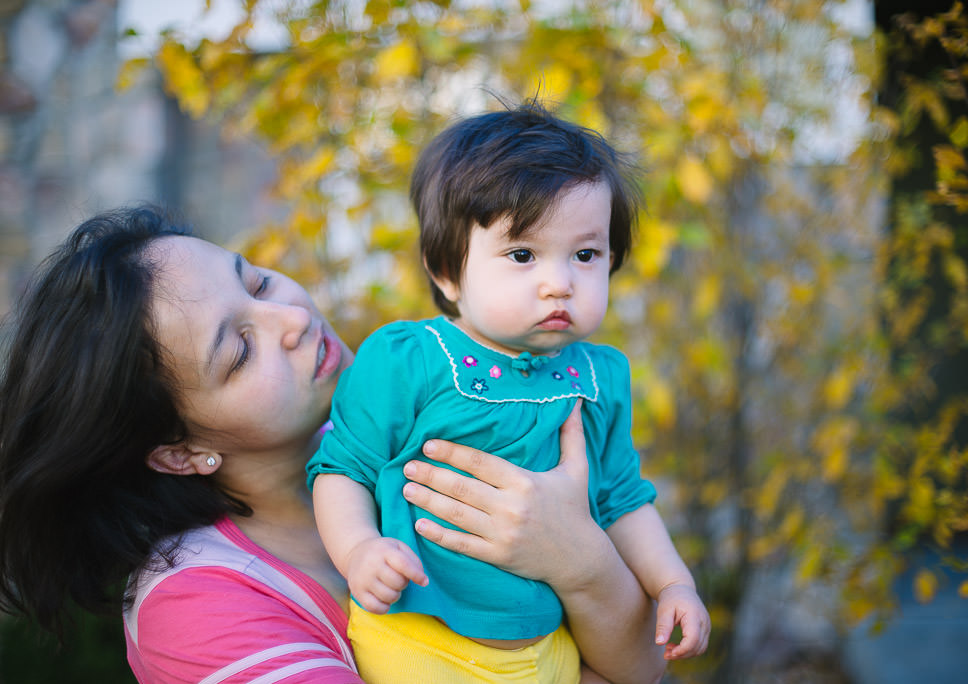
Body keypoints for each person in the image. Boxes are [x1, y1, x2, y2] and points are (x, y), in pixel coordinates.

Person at [0, 206, 668, 684]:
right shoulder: (198, 607)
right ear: (176, 449)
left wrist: (582, 562)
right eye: (238, 350)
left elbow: (647, 670)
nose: (291, 317)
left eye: (257, 281)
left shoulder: (420, 434)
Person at [308, 101, 711, 684]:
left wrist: (673, 583)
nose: (559, 283)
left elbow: (624, 500)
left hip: (550, 650)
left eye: (585, 254)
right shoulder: (409, 359)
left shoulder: (599, 378)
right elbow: (343, 468)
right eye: (522, 255)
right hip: (421, 640)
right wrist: (359, 550)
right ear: (447, 272)